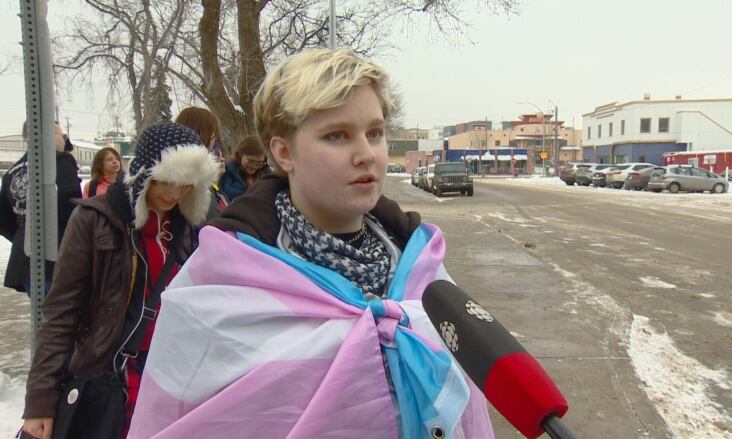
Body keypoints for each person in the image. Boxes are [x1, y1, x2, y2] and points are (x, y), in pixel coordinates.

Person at [128, 49, 493, 438]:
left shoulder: (423, 268)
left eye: (375, 133)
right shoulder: (223, 285)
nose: (366, 154)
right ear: (284, 152)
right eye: (337, 136)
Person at [21, 122, 218, 439]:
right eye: (165, 181)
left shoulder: (193, 226)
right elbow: (61, 314)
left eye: (186, 185)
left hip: (178, 374)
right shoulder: (94, 219)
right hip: (116, 374)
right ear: (143, 172)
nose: (174, 193)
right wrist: (40, 401)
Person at [0, 121, 81, 295]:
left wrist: (25, 237)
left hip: (24, 261)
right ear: (48, 136)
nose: (65, 142)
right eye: (62, 136)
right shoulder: (61, 160)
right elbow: (72, 206)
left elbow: (3, 219)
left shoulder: (11, 173)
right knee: (63, 318)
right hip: (59, 257)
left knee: (43, 317)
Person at [219, 134, 272, 201]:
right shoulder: (227, 172)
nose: (254, 166)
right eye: (251, 161)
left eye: (259, 163)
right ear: (240, 154)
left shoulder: (268, 175)